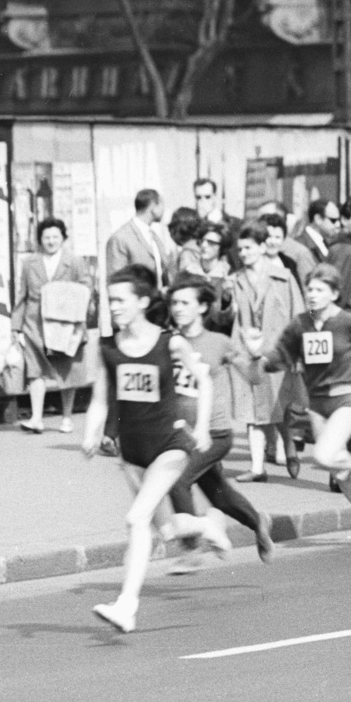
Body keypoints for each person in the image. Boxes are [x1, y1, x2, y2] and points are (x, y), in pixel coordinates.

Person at [83, 265, 211, 635]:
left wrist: (201, 426)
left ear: (142, 301)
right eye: (111, 301)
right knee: (166, 529)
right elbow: (99, 400)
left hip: (169, 447)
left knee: (136, 520)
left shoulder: (168, 342)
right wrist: (91, 434)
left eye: (121, 300)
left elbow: (202, 379)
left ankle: (127, 606)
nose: (115, 307)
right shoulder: (107, 348)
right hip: (132, 453)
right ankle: (206, 525)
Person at [251, 264, 351, 544]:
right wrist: (260, 356)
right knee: (336, 469)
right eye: (309, 289)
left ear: (333, 293)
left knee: (323, 455)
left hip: (346, 397)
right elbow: (281, 355)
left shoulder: (349, 321)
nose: (312, 295)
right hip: (317, 403)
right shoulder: (300, 324)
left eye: (319, 290)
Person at [161, 277, 275, 572]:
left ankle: (191, 549)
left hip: (214, 433)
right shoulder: (168, 341)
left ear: (201, 307)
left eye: (185, 303)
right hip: (180, 434)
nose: (178, 309)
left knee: (178, 481)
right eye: (174, 303)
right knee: (217, 494)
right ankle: (257, 520)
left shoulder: (219, 342)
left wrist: (254, 354)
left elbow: (253, 377)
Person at [228, 222, 306, 481]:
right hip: (247, 354)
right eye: (240, 249)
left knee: (277, 408)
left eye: (248, 248)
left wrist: (297, 353)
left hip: (277, 354)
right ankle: (257, 468)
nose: (243, 253)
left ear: (262, 247)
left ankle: (289, 446)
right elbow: (226, 317)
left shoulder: (283, 277)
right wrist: (225, 302)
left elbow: (298, 316)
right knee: (253, 413)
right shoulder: (236, 280)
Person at [11, 216, 94, 434]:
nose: (50, 241)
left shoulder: (74, 261)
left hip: (65, 323)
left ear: (63, 238)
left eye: (55, 236)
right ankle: (37, 418)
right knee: (35, 370)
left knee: (67, 370)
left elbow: (86, 288)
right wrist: (16, 326)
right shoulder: (30, 263)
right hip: (34, 323)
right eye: (46, 237)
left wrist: (73, 307)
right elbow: (22, 294)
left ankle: (67, 417)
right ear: (40, 239)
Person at [105, 188, 171, 287]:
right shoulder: (120, 238)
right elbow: (116, 280)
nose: (163, 209)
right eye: (161, 205)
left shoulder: (154, 237)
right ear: (153, 206)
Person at [279, 199, 340, 289]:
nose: (338, 224)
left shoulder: (326, 242)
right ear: (318, 219)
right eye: (333, 220)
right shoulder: (301, 244)